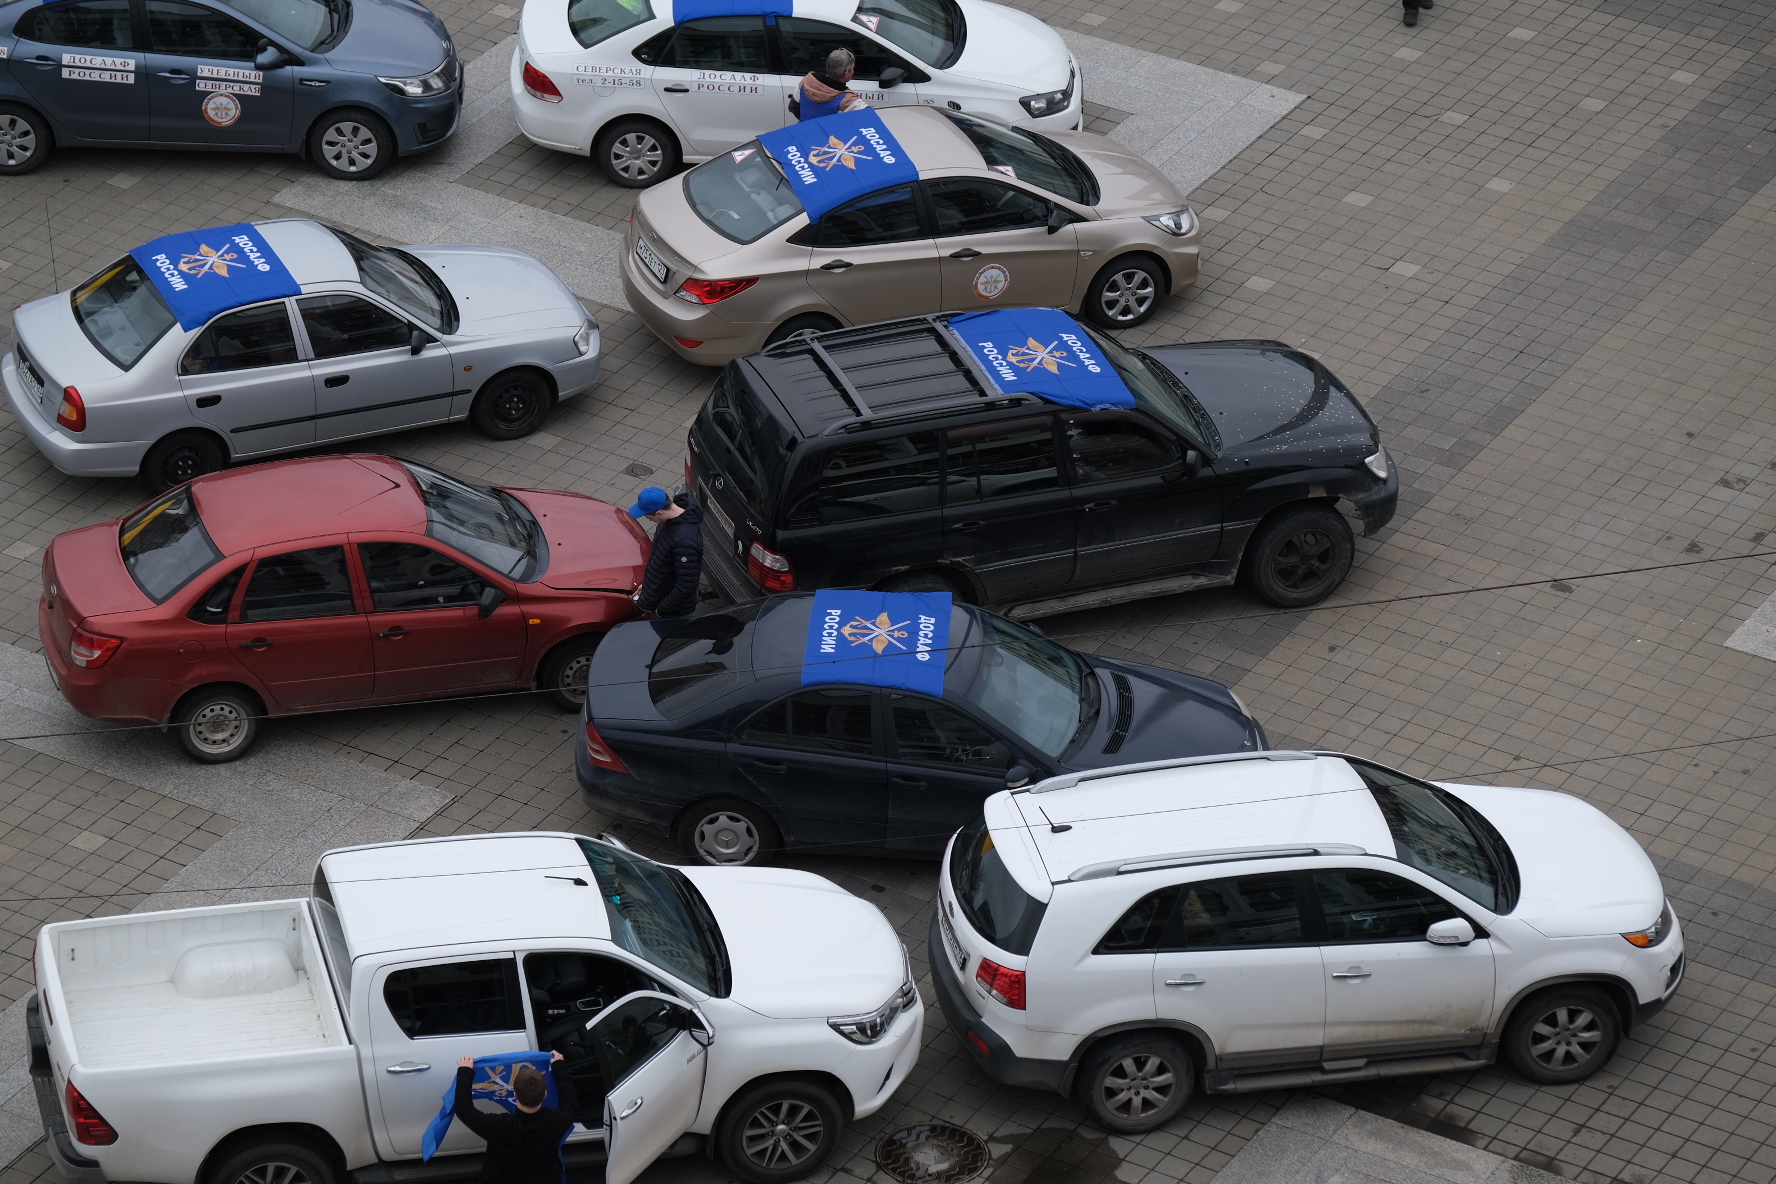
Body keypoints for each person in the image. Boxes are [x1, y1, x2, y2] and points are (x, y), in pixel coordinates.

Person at [451, 1052, 577, 1184]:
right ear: (545, 1094)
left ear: (515, 1094)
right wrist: (559, 1066)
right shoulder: (556, 1122)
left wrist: (465, 1071)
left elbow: (463, 1109)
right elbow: (570, 1101)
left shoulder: (498, 1126)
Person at [629, 486, 704, 620]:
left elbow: (686, 586)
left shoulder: (685, 541)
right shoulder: (667, 522)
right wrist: (647, 585)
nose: (648, 520)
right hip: (661, 598)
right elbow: (660, 562)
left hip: (675, 613)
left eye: (648, 517)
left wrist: (661, 610)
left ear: (659, 513)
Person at [793, 48, 870, 121]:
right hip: (832, 135)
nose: (853, 71)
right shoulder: (849, 100)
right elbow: (871, 117)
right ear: (846, 74)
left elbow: (793, 107)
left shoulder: (806, 81)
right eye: (852, 68)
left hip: (805, 132)